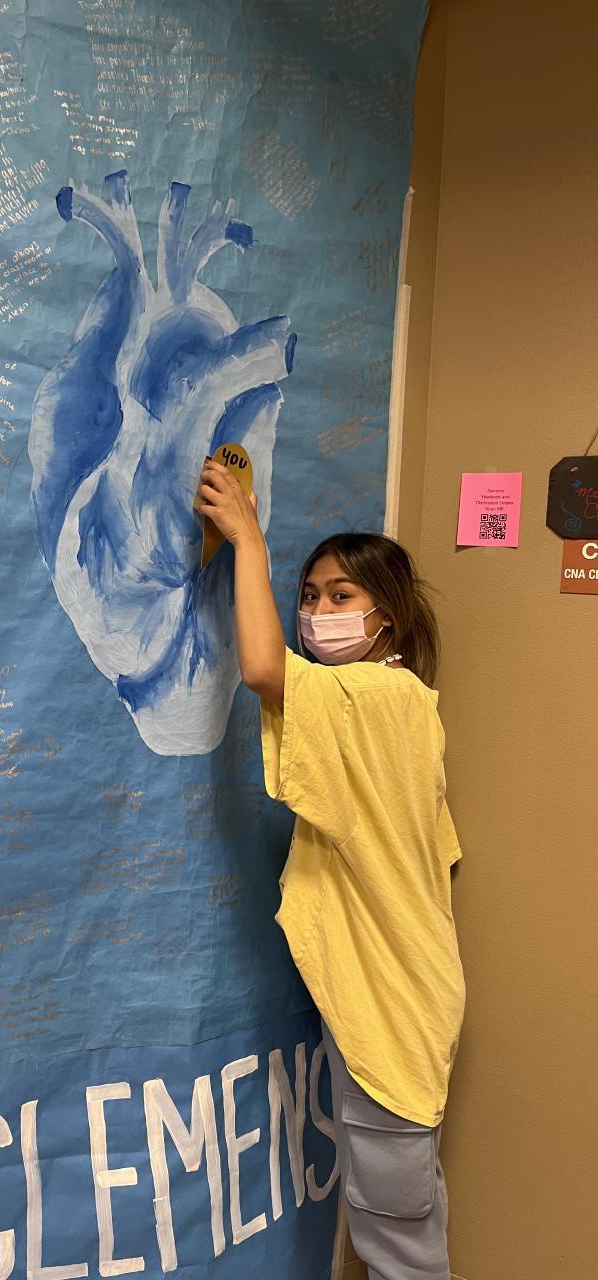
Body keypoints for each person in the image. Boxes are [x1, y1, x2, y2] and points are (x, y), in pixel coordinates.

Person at [196, 458, 465, 1280]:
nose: (317, 612)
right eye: (309, 596)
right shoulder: (406, 708)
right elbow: (442, 857)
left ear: (389, 616)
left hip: (389, 1014)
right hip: (396, 1001)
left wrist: (245, 537)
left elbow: (264, 670)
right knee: (405, 1223)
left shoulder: (380, 699)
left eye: (341, 596)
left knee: (396, 1242)